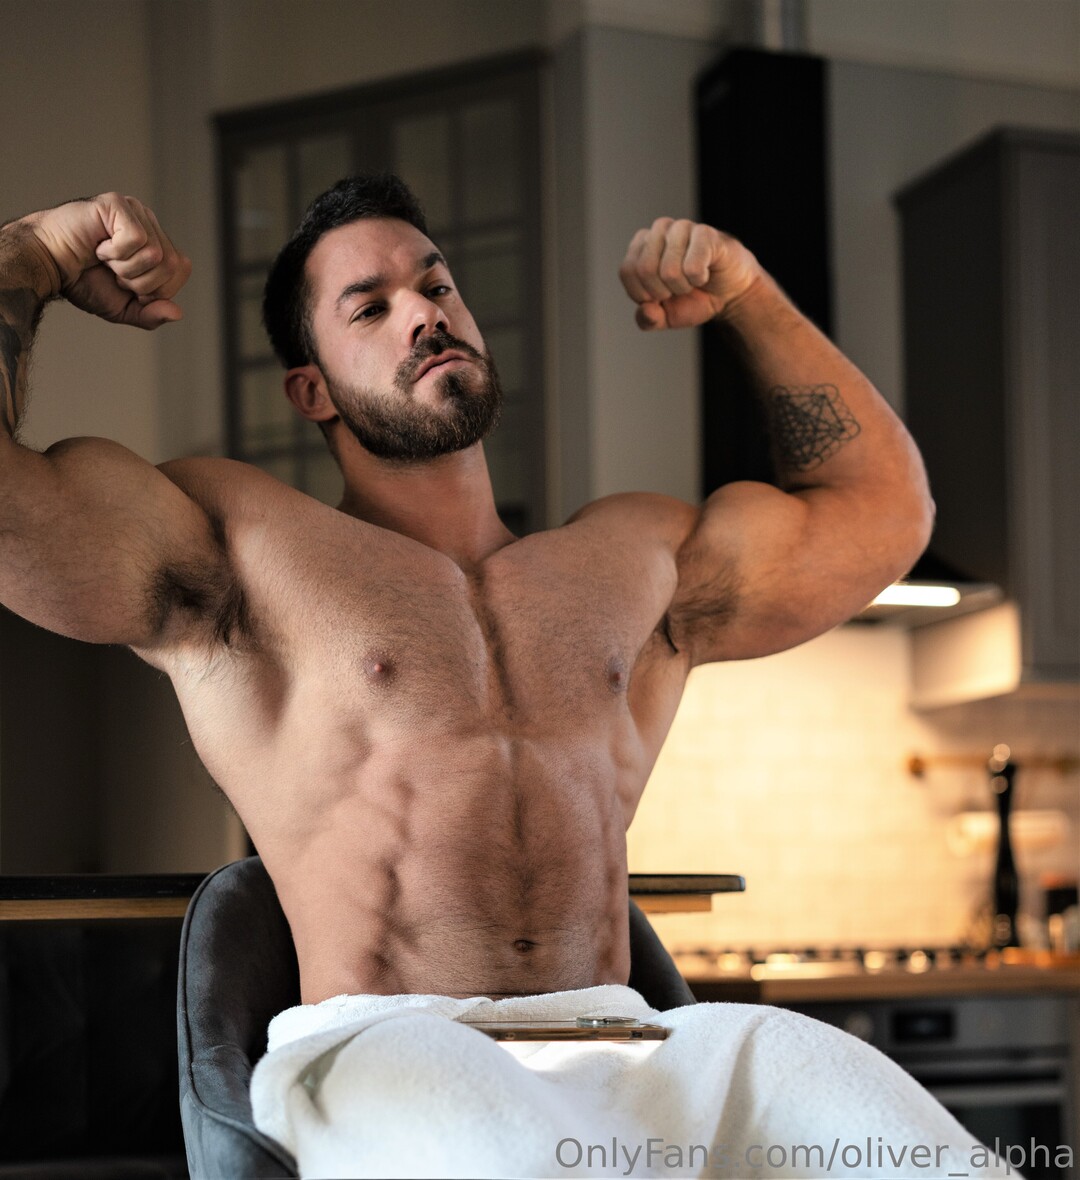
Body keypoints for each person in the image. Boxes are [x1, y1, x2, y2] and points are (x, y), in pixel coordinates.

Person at [4, 178, 987, 1179]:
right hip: (390, 1041)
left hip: (624, 1036)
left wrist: (746, 294)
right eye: (370, 307)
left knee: (883, 1120)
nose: (424, 313)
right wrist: (36, 256)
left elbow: (886, 512)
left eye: (436, 286)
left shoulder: (633, 559)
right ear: (312, 390)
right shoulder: (241, 544)